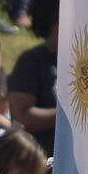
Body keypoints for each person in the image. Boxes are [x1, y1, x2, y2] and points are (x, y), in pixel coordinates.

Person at [5, 22, 59, 155]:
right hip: (38, 157)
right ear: (56, 29)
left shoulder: (80, 61)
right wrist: (68, 115)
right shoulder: (32, 61)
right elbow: (21, 117)